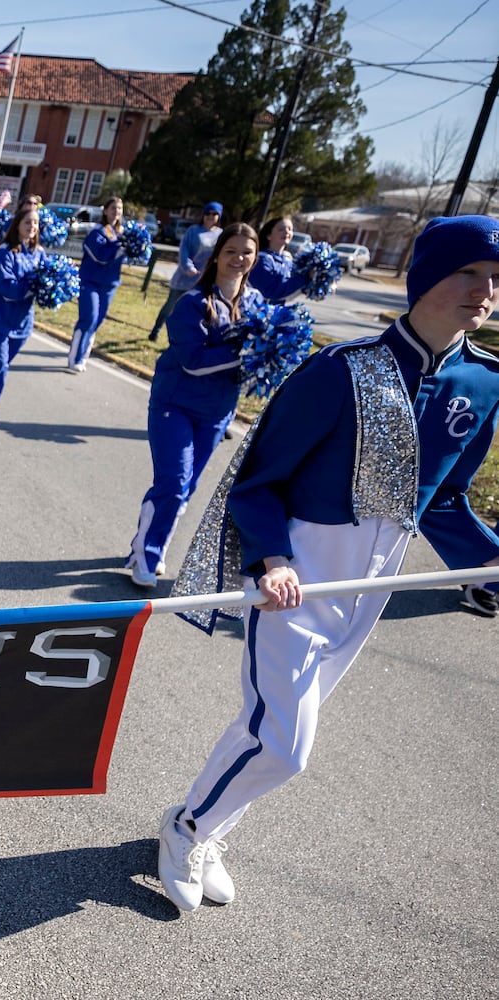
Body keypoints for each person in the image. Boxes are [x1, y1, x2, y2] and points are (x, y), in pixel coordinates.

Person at [155, 215, 499, 914]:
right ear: (429, 275)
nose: (486, 290)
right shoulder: (343, 370)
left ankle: (208, 823)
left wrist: (489, 565)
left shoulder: (485, 383)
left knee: (273, 725)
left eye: (496, 279)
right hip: (304, 568)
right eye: (470, 272)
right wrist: (271, 558)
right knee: (287, 743)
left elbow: (443, 503)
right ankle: (186, 826)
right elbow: (258, 482)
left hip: (376, 578)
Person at [124, 223, 263, 587]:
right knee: (173, 483)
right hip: (176, 404)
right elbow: (194, 362)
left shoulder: (255, 303)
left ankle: (152, 542)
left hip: (217, 411)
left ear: (254, 258)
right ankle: (146, 555)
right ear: (217, 254)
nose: (238, 258)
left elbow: (266, 352)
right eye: (231, 251)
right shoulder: (192, 303)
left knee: (186, 489)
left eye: (246, 252)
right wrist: (245, 351)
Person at [0, 207, 47, 432]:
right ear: (17, 225)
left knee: (2, 367)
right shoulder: (5, 252)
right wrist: (32, 287)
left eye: (35, 223)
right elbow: (6, 289)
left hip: (22, 323)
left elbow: (46, 281)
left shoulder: (39, 253)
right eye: (27, 222)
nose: (32, 226)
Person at [69, 196, 128, 372]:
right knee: (89, 318)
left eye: (119, 208)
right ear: (105, 211)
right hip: (90, 282)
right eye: (113, 208)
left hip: (109, 284)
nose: (116, 212)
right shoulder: (97, 231)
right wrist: (120, 247)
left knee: (98, 321)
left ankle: (83, 356)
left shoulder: (123, 232)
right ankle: (75, 358)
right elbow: (100, 256)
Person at [150, 202, 223, 342]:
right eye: (208, 213)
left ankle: (179, 338)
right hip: (185, 278)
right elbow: (184, 250)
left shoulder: (220, 234)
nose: (211, 217)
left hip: (203, 281)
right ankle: (156, 330)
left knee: (192, 312)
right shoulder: (193, 230)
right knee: (170, 307)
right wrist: (188, 267)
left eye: (215, 214)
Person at [246, 216, 312, 303]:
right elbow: (270, 292)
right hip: (257, 312)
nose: (287, 232)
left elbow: (290, 290)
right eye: (281, 229)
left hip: (276, 311)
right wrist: (305, 278)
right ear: (269, 235)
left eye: (290, 229)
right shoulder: (261, 259)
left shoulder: (287, 259)